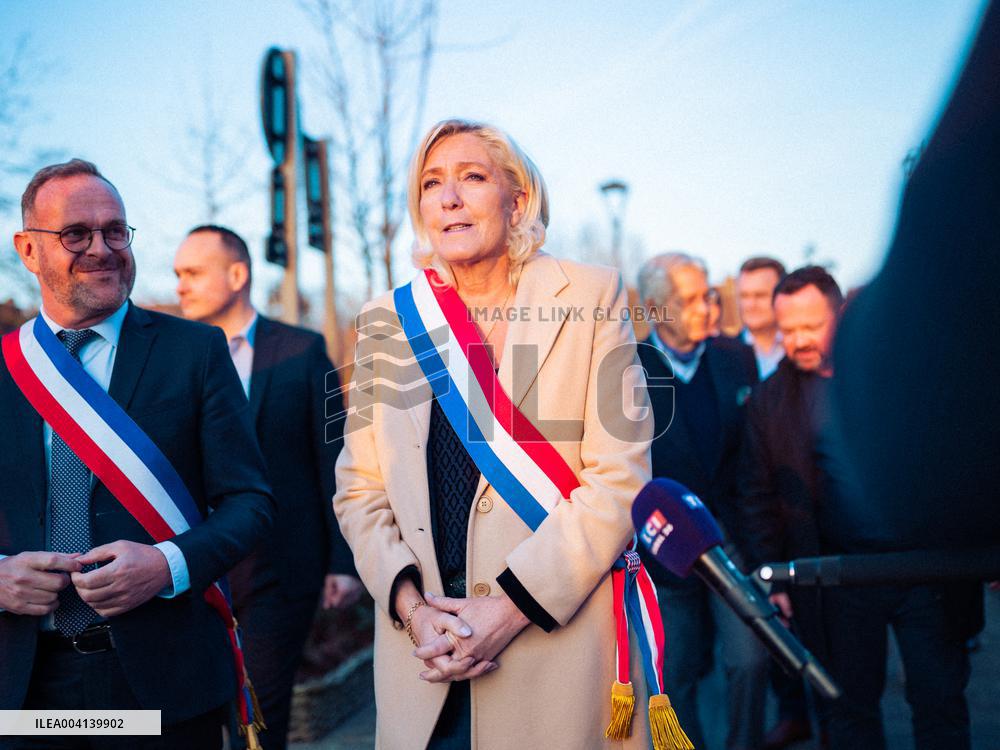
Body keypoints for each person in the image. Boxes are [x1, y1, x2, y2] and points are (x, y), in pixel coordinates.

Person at [333, 119, 661, 749]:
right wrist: (411, 609)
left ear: (517, 201)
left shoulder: (590, 296)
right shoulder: (387, 320)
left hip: (551, 648)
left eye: (471, 178)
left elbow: (620, 479)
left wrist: (506, 611)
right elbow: (361, 489)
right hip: (426, 658)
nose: (448, 198)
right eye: (432, 184)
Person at [0, 159, 275, 749]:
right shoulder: (4, 366)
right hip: (26, 688)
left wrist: (167, 565)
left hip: (162, 685)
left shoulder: (193, 351)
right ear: (28, 250)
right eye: (76, 234)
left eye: (115, 231)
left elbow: (249, 502)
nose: (102, 248)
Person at [173, 225, 362, 750]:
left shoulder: (302, 351)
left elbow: (335, 458)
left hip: (281, 570)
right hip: (195, 571)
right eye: (177, 275)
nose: (180, 286)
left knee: (260, 717)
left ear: (237, 275)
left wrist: (343, 563)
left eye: (192, 273)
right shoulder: (175, 357)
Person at [635, 253, 767, 750]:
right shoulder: (629, 373)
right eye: (689, 300)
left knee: (750, 660)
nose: (708, 307)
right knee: (676, 676)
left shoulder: (736, 358)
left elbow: (751, 457)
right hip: (665, 557)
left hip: (730, 543)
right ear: (655, 309)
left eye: (708, 294)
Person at [735, 265, 844, 748]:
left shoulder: (885, 378)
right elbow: (755, 494)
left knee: (938, 700)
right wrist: (773, 574)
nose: (798, 338)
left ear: (838, 315)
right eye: (789, 329)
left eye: (811, 325)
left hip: (904, 569)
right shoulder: (768, 400)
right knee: (842, 708)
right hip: (819, 577)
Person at [736, 256, 786, 380]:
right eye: (744, 296)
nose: (750, 305)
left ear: (782, 296)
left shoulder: (801, 351)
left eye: (760, 295)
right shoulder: (721, 355)